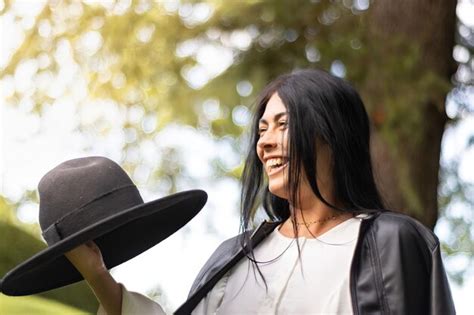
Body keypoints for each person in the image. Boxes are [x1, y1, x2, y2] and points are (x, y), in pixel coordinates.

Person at [65, 69, 455, 314]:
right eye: (262, 129)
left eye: (283, 125)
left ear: (332, 136)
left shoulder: (390, 244)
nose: (264, 143)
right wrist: (100, 277)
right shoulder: (234, 257)